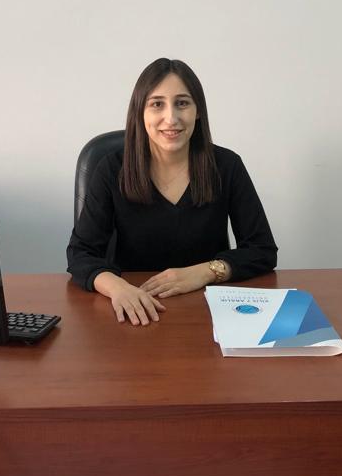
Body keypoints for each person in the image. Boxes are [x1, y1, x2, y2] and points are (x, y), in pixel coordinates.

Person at [66, 58, 277, 326]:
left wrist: (206, 271)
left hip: (208, 312)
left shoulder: (227, 166)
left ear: (198, 111)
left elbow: (262, 249)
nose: (171, 118)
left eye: (182, 103)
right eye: (157, 104)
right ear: (140, 112)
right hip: (135, 311)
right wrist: (117, 287)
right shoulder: (111, 169)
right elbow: (81, 253)